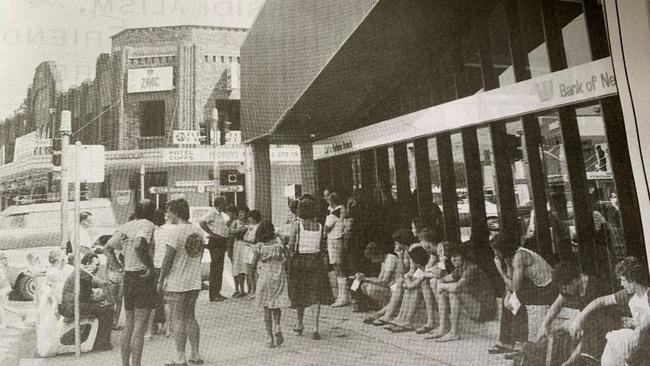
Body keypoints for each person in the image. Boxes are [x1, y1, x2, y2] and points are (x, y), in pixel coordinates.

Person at [525, 261, 620, 365]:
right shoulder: (571, 285)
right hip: (587, 321)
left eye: (565, 288)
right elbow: (556, 305)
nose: (564, 291)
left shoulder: (595, 287)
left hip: (604, 323)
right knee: (555, 333)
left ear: (576, 280)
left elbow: (589, 328)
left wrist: (568, 363)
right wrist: (545, 324)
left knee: (574, 335)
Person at [568, 257, 650, 366]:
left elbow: (645, 324)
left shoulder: (648, 294)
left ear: (632, 280)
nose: (621, 284)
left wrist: (638, 330)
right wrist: (579, 319)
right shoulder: (627, 294)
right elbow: (601, 301)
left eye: (623, 280)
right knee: (612, 342)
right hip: (638, 339)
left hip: (645, 341)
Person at [105, 199, 156, 366]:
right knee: (139, 328)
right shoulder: (147, 225)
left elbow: (107, 247)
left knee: (129, 324)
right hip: (142, 277)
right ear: (150, 213)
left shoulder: (126, 226)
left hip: (128, 277)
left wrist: (118, 265)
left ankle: (125, 364)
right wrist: (149, 266)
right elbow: (139, 244)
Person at [489, 236, 556, 355]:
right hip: (539, 287)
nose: (494, 253)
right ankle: (506, 341)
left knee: (517, 299)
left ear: (502, 250)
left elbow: (516, 287)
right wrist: (508, 294)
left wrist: (500, 271)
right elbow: (511, 284)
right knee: (509, 297)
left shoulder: (519, 256)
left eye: (496, 250)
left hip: (550, 288)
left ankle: (520, 344)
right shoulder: (511, 258)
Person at [157, 198, 205, 365]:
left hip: (177, 281)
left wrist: (161, 279)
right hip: (194, 280)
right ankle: (196, 354)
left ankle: (180, 357)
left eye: (169, 210)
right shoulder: (197, 230)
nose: (167, 214)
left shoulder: (174, 232)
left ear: (176, 212)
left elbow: (167, 259)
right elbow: (199, 254)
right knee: (191, 317)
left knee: (178, 319)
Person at [427, 242, 496, 342]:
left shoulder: (471, 268)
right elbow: (447, 278)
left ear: (463, 257)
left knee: (454, 293)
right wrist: (440, 282)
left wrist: (441, 285)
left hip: (484, 309)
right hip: (473, 305)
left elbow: (456, 288)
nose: (453, 259)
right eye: (451, 257)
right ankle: (443, 327)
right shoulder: (460, 268)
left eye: (456, 257)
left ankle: (454, 333)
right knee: (442, 287)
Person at [288, 198, 334, 340]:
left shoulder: (296, 225)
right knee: (316, 294)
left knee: (299, 293)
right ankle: (315, 327)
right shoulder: (319, 226)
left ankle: (300, 324)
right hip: (316, 261)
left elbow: (291, 245)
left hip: (300, 262)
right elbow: (322, 245)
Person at [59, 252, 114, 352]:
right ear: (88, 264)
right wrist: (102, 297)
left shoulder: (80, 271)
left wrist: (98, 297)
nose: (98, 268)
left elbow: (84, 295)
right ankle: (101, 343)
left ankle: (98, 339)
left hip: (70, 305)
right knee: (107, 310)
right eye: (96, 265)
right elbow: (87, 298)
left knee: (101, 307)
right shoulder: (85, 274)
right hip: (73, 307)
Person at [251, 220, 290, 348]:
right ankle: (277, 325)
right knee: (276, 303)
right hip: (278, 274)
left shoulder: (259, 246)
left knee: (266, 307)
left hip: (265, 275)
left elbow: (252, 264)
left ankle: (269, 338)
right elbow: (287, 258)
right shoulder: (279, 243)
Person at [370, 229, 417, 326]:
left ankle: (386, 314)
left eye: (397, 242)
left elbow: (411, 269)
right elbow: (404, 270)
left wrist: (405, 276)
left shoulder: (412, 249)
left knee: (400, 283)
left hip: (416, 275)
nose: (395, 244)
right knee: (399, 283)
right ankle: (387, 314)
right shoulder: (405, 251)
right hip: (410, 276)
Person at [199, 196, 230, 302]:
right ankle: (213, 294)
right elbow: (202, 222)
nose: (225, 205)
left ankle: (217, 292)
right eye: (224, 203)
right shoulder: (212, 212)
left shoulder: (220, 214)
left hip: (221, 241)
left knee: (219, 267)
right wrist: (212, 234)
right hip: (216, 241)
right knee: (215, 267)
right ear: (220, 203)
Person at [353, 241, 398, 313]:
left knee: (370, 289)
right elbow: (380, 279)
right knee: (364, 286)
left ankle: (388, 307)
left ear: (378, 255)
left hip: (395, 289)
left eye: (373, 258)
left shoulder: (391, 259)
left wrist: (366, 279)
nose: (373, 261)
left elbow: (385, 281)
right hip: (389, 287)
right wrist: (364, 278)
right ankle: (384, 306)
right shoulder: (384, 261)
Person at [146, 209, 169, 340]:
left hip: (154, 266)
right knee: (164, 298)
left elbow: (150, 250)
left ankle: (152, 327)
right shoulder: (165, 232)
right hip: (163, 266)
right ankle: (166, 326)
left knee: (153, 297)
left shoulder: (151, 232)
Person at [325, 192, 349, 307]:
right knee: (339, 269)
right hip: (339, 240)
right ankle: (341, 295)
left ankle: (343, 297)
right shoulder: (342, 210)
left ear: (332, 201)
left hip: (334, 241)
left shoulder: (334, 214)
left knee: (338, 269)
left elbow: (326, 228)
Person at [230, 206, 251, 298]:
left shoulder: (249, 222)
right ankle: (237, 289)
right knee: (237, 267)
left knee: (246, 267)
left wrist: (246, 229)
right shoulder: (235, 222)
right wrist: (237, 230)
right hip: (238, 245)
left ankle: (248, 289)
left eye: (243, 212)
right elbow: (230, 231)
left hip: (246, 245)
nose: (241, 214)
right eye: (239, 212)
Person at [244, 210, 262, 298]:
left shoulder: (259, 226)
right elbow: (245, 237)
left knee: (256, 271)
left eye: (250, 217)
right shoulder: (251, 226)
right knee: (249, 272)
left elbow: (255, 240)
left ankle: (257, 291)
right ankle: (252, 289)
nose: (249, 219)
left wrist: (248, 240)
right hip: (248, 250)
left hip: (254, 249)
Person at [0, 252, 11, 329]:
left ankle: (3, 324)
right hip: (6, 288)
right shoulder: (5, 267)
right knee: (4, 306)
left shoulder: (1, 268)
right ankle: (21, 314)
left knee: (0, 307)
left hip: (3, 288)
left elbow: (2, 279)